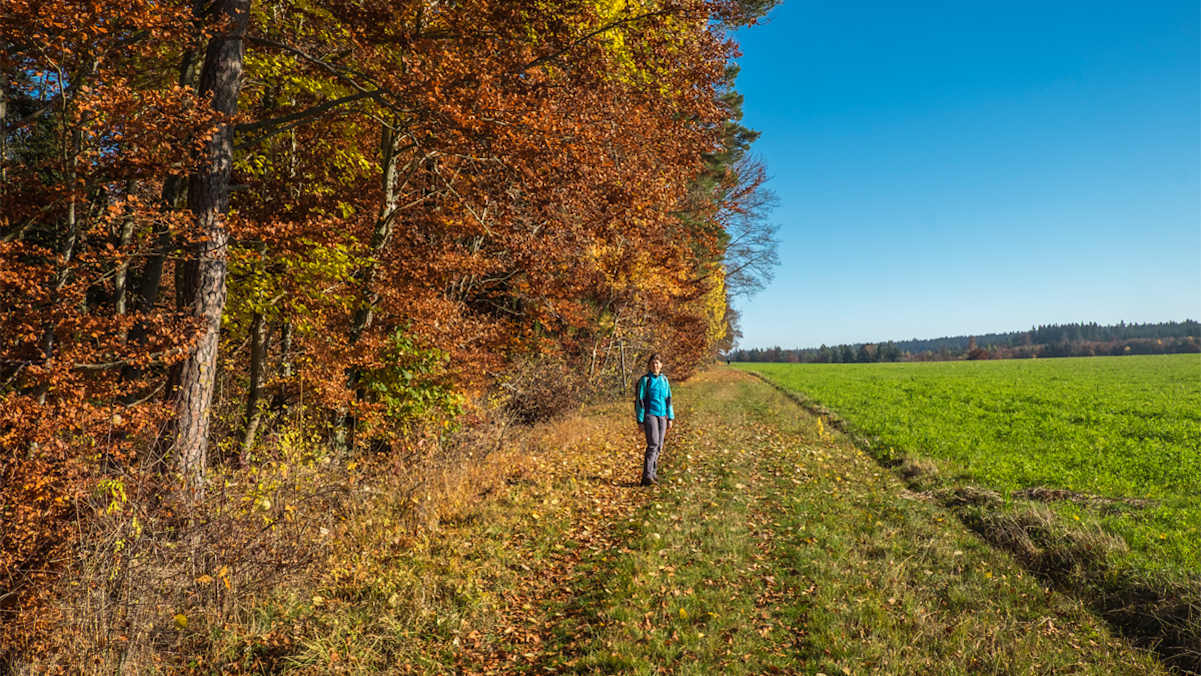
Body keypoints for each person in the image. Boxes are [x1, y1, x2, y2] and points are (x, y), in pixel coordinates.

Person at [634, 353, 674, 486]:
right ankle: (646, 476)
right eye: (652, 363)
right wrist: (640, 421)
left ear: (661, 365)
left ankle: (653, 473)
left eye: (657, 363)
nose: (655, 365)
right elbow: (639, 401)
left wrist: (670, 417)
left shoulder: (664, 380)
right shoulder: (645, 380)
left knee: (660, 446)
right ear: (649, 365)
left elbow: (668, 399)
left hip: (662, 416)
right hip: (650, 415)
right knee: (653, 444)